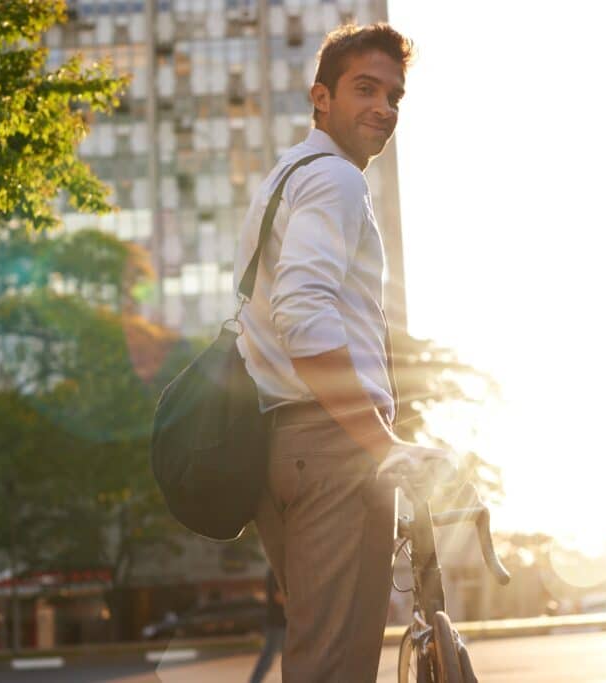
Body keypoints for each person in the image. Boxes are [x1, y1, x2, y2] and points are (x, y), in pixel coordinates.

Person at [234, 22, 454, 683]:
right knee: (333, 669)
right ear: (320, 97)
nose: (384, 109)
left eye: (394, 96)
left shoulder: (282, 179)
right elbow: (302, 312)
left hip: (280, 447)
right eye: (366, 89)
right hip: (333, 450)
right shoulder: (336, 179)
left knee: (317, 656)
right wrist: (380, 443)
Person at [248, 571, 286, 683]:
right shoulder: (274, 572)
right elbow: (278, 597)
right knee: (268, 658)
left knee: (293, 657)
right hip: (276, 623)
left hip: (284, 623)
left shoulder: (280, 571)